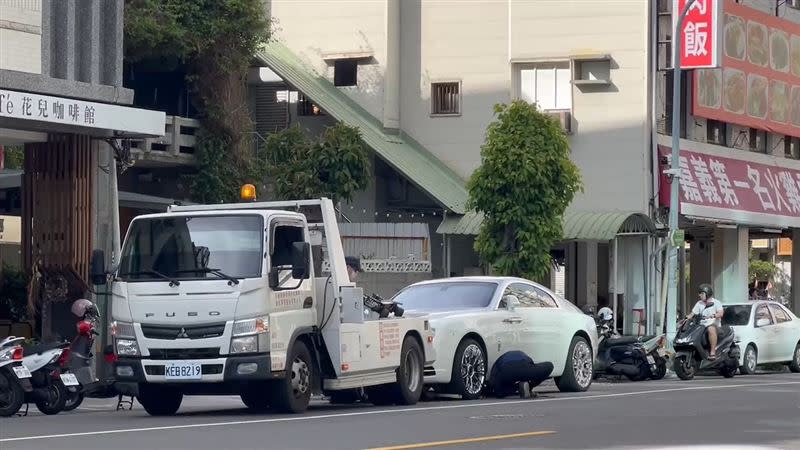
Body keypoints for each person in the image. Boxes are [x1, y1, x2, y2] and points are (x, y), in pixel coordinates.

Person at [685, 283, 724, 359]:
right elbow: (692, 314)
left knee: (710, 329)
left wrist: (714, 315)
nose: (700, 295)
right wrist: (687, 318)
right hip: (701, 327)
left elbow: (721, 313)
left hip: (714, 326)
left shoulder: (716, 302)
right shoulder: (699, 303)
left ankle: (712, 352)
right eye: (699, 293)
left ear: (707, 294)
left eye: (702, 293)